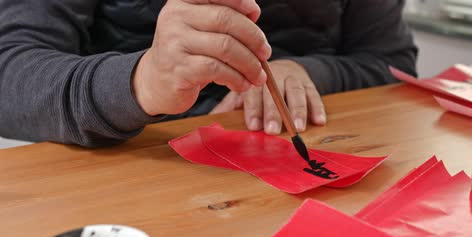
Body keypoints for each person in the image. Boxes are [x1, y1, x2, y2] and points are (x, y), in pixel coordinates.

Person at [0, 0, 417, 147]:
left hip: (303, 176)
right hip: (135, 183)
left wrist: (312, 73)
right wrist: (141, 82)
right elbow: (10, 75)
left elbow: (394, 64)